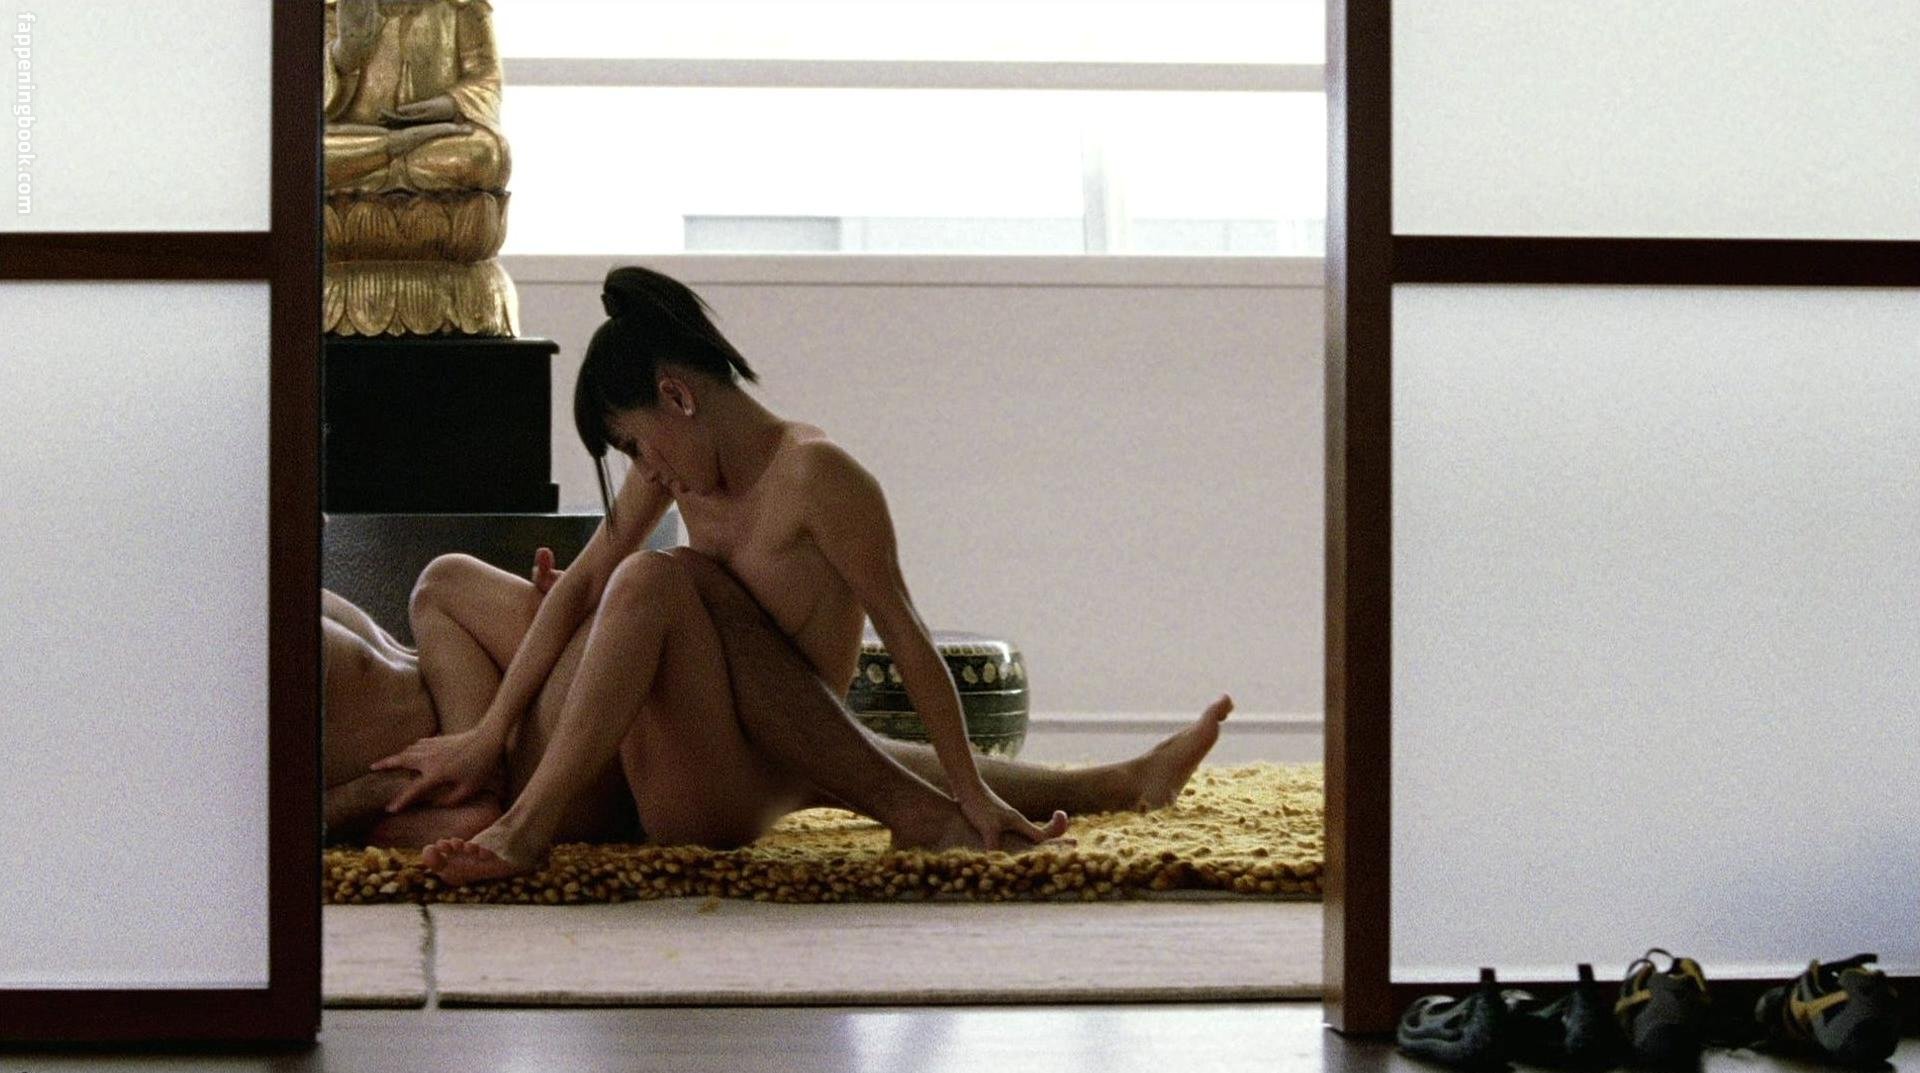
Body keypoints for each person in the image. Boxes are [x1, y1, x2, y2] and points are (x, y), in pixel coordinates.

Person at [367, 265, 1235, 885]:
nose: (645, 469)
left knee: (659, 579)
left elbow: (907, 638)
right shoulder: (675, 474)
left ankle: (526, 828)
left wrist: (970, 794)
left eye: (635, 443)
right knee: (491, 579)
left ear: (677, 395)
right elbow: (588, 580)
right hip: (719, 728)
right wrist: (489, 732)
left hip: (726, 787)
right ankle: (1119, 783)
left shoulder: (818, 479)